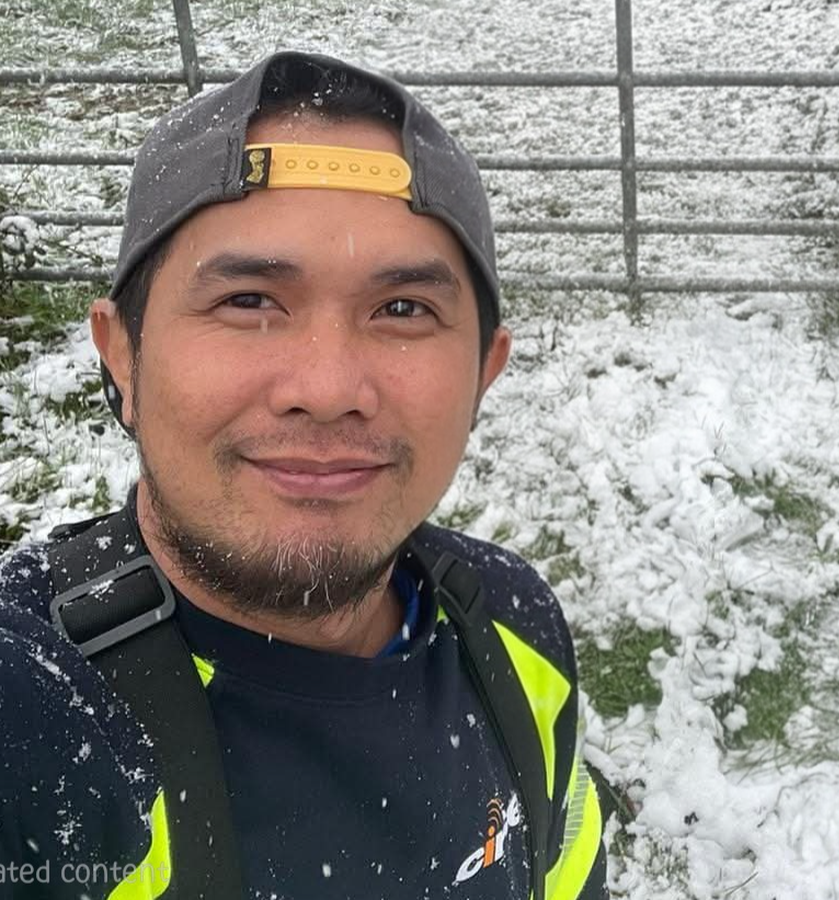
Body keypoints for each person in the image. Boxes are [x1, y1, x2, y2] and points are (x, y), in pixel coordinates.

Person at [0, 51, 606, 900]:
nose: (326, 390)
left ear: (483, 374)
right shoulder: (37, 718)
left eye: (403, 309)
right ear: (122, 357)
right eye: (248, 300)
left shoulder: (512, 626)